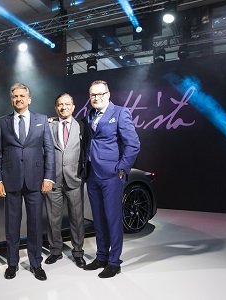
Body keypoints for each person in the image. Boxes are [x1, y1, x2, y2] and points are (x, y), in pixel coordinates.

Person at [0, 83, 55, 281]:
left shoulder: (42, 120)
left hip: (36, 181)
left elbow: (49, 151)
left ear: (29, 99)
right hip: (10, 181)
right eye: (15, 96)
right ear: (11, 99)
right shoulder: (2, 122)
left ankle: (36, 263)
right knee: (12, 225)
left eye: (22, 95)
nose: (18, 99)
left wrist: (48, 177)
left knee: (35, 224)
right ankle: (12, 264)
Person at [82, 80, 140, 278]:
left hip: (111, 175)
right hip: (92, 174)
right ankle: (101, 257)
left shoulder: (120, 113)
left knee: (113, 219)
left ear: (108, 94)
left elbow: (133, 144)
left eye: (100, 94)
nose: (96, 98)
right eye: (92, 95)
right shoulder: (89, 114)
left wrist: (122, 168)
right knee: (98, 219)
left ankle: (114, 262)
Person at [44, 93, 86, 268]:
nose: (63, 107)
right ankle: (55, 251)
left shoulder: (82, 126)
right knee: (53, 219)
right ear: (56, 108)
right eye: (60, 105)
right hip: (53, 180)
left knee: (77, 219)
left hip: (74, 179)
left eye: (67, 104)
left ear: (73, 107)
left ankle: (78, 252)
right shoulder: (49, 126)